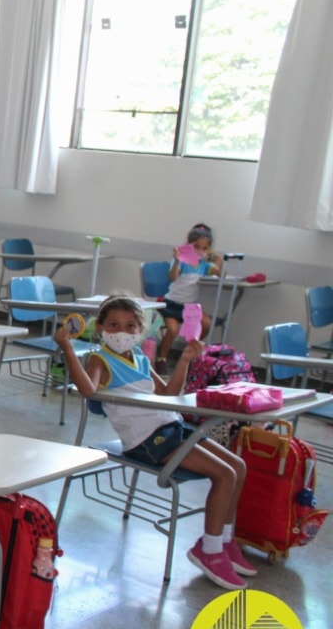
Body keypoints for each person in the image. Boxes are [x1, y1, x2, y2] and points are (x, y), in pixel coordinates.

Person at [53, 295, 251, 590]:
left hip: (170, 426)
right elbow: (87, 390)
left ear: (140, 331)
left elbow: (169, 394)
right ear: (102, 328)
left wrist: (184, 360)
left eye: (131, 326)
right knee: (225, 475)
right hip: (147, 440)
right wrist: (67, 347)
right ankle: (208, 551)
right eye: (115, 325)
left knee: (239, 465)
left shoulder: (141, 358)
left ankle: (223, 541)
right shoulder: (100, 359)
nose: (122, 331)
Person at [156, 223, 222, 373]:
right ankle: (161, 358)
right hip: (171, 304)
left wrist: (218, 260)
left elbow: (219, 274)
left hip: (190, 307)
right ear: (188, 245)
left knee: (206, 323)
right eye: (196, 247)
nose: (200, 251)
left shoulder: (204, 265)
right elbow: (172, 277)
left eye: (205, 248)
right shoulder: (182, 261)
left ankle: (188, 354)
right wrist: (177, 260)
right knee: (172, 330)